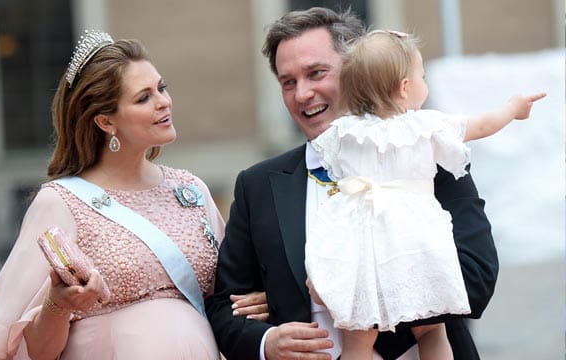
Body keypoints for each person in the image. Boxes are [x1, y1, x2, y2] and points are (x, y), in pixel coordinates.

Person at [206, 7, 500, 360]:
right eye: (288, 82)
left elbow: (475, 278)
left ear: (358, 70)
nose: (302, 94)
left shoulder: (429, 155)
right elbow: (225, 309)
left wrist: (336, 295)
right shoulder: (257, 185)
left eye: (317, 73)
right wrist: (267, 341)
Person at [0, 30, 267, 359]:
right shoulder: (61, 202)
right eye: (143, 97)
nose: (163, 101)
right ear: (106, 122)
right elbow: (36, 350)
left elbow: (228, 297)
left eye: (161, 88)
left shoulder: (191, 190)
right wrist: (58, 303)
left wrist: (258, 299)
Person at [304, 29, 546, 360]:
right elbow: (482, 125)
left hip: (360, 248)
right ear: (405, 88)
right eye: (421, 75)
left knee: (358, 337)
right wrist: (513, 108)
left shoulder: (345, 133)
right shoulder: (423, 127)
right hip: (413, 244)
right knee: (432, 328)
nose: (423, 81)